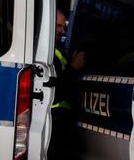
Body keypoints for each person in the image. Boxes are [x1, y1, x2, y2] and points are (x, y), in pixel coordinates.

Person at [48, 10, 84, 160]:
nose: (62, 31)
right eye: (58, 26)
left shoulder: (57, 51)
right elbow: (56, 93)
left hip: (61, 119)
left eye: (64, 27)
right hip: (53, 119)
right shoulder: (47, 54)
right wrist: (73, 68)